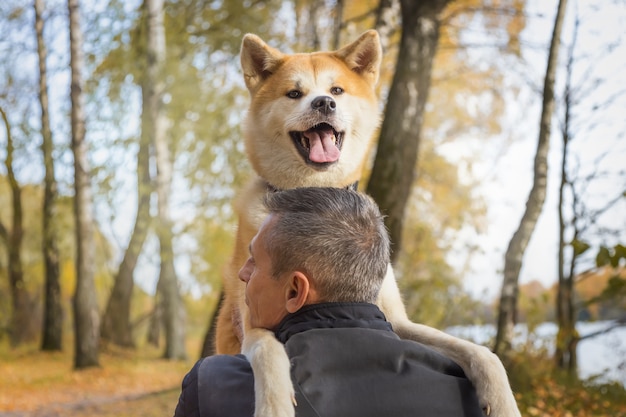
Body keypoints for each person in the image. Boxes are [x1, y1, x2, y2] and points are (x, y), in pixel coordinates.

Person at [174, 187, 484, 417]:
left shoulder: (213, 387)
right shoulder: (466, 392)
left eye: (254, 261)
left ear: (295, 290)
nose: (242, 274)